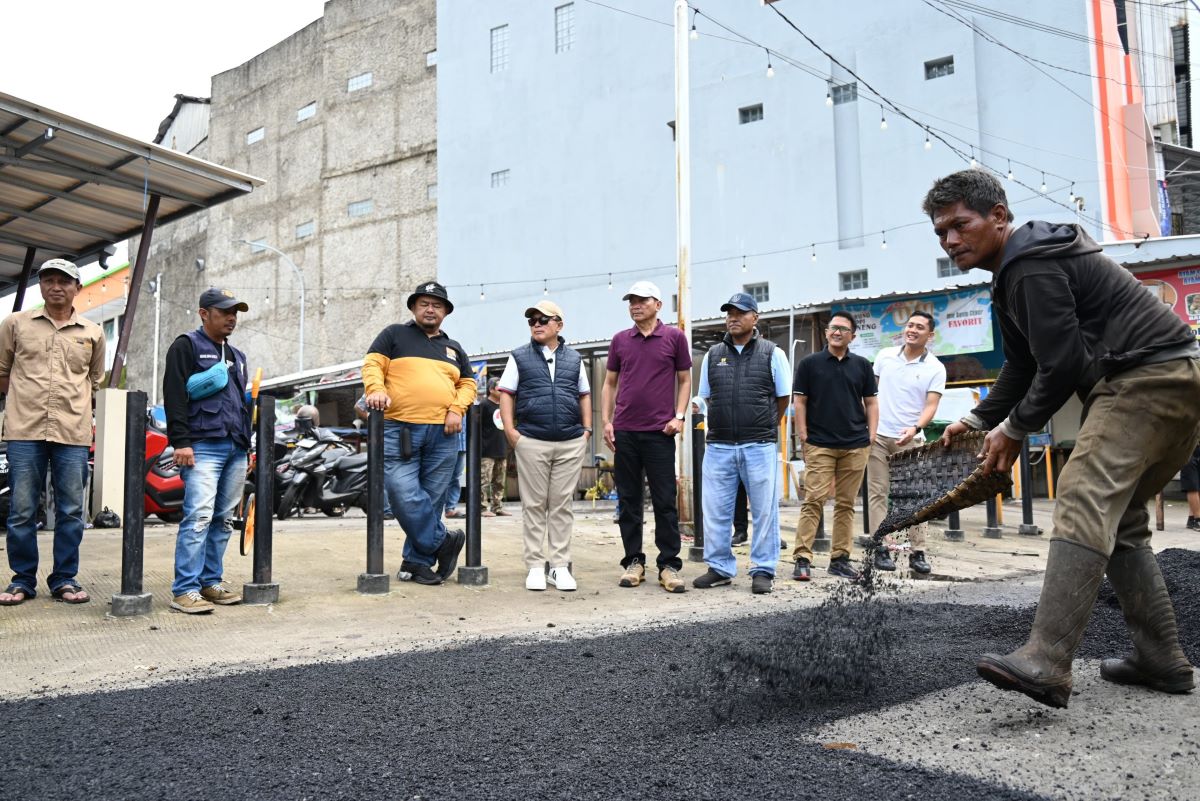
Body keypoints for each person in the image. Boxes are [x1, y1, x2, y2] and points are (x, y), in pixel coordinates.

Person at [926, 169, 1200, 708]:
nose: (951, 240)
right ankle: (1161, 658)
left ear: (998, 216)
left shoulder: (1027, 264)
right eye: (941, 233)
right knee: (1119, 521)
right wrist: (982, 420)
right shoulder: (1014, 272)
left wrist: (1015, 428)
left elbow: (1064, 363)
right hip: (1177, 379)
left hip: (1145, 379)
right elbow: (1024, 364)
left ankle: (1047, 659)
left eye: (961, 224)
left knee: (1080, 495)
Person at [0, 259, 105, 606]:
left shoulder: (92, 332)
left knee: (72, 510)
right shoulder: (16, 324)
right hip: (24, 430)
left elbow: (94, 380)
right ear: (40, 286)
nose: (55, 286)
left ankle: (65, 578)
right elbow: (3, 372)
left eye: (63, 281)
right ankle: (21, 580)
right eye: (48, 280)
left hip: (72, 432)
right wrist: (21, 402)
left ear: (77, 287)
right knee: (22, 510)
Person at [363, 281, 475, 586]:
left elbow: (468, 384)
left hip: (444, 433)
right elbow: (373, 364)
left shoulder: (454, 348)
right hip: (400, 428)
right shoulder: (394, 335)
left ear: (445, 312)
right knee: (402, 492)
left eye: (437, 305)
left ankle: (417, 562)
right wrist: (376, 389)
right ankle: (441, 541)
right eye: (424, 303)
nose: (430, 309)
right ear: (413, 308)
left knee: (433, 499)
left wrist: (457, 409)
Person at [692, 293, 791, 595]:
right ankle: (720, 567)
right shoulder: (712, 354)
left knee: (764, 511)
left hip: (759, 444)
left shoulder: (773, 353)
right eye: (729, 313)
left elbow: (783, 397)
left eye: (741, 312)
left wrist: (763, 424)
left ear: (755, 318)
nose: (733, 318)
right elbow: (707, 396)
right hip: (719, 445)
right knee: (716, 510)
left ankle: (763, 569)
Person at [163, 288, 253, 614]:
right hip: (202, 447)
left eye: (235, 313)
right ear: (204, 313)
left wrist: (246, 446)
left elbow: (240, 406)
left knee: (224, 519)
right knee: (199, 517)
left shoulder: (238, 356)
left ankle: (210, 581)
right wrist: (181, 441)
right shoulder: (186, 346)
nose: (231, 318)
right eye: (224, 312)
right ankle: (184, 590)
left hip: (235, 448)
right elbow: (173, 395)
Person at [601, 280, 693, 593]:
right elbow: (609, 383)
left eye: (641, 300)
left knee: (665, 501)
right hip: (625, 430)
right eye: (631, 301)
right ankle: (633, 562)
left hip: (659, 432)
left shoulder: (674, 338)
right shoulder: (620, 340)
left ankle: (668, 565)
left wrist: (678, 416)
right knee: (629, 501)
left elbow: (684, 380)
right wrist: (607, 421)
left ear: (658, 304)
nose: (635, 306)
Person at [498, 300, 591, 591]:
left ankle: (560, 566)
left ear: (559, 325)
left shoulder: (574, 359)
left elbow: (584, 394)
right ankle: (536, 566)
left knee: (561, 505)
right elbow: (506, 394)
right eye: (532, 320)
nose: (536, 324)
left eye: (543, 319)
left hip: (570, 441)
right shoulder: (519, 356)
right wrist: (512, 432)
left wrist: (586, 431)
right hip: (532, 440)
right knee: (535, 505)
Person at [790, 311, 878, 581]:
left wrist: (871, 436)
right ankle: (802, 558)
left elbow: (871, 403)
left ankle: (840, 559)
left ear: (852, 335)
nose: (837, 332)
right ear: (827, 332)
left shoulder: (862, 365)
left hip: (855, 444)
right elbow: (800, 402)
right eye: (832, 328)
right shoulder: (809, 364)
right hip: (820, 444)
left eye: (843, 329)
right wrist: (803, 435)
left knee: (846, 504)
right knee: (813, 500)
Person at [868, 311, 946, 574]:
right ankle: (881, 546)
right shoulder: (884, 357)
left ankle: (918, 552)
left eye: (919, 327)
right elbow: (871, 394)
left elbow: (931, 406)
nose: (912, 329)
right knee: (878, 492)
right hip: (878, 437)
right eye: (910, 324)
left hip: (911, 440)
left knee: (914, 496)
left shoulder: (935, 367)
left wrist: (915, 428)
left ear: (929, 335)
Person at [479, 378, 511, 517]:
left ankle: (497, 507)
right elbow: (477, 427)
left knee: (500, 481)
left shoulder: (505, 405)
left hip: (501, 448)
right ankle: (481, 508)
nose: (502, 390)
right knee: (483, 481)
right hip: (486, 450)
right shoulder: (484, 405)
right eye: (499, 387)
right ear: (491, 389)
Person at [444, 421, 467, 519]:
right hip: (445, 442)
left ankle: (450, 509)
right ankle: (430, 509)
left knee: (456, 477)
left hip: (462, 443)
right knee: (439, 476)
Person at [1181, 443, 1200, 531]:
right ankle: (1198, 520)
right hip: (1187, 450)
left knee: (1197, 486)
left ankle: (1192, 519)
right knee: (1192, 487)